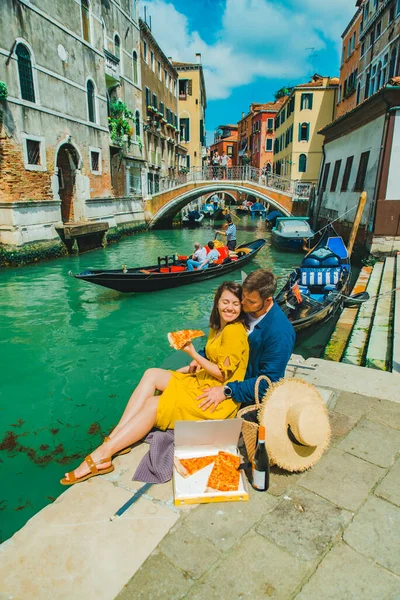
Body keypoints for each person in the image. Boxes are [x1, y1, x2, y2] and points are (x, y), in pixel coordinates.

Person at [61, 282, 249, 485]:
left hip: (216, 397)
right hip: (204, 382)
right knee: (152, 374)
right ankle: (116, 437)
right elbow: (217, 360)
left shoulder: (233, 332)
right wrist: (191, 366)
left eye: (235, 304)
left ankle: (103, 455)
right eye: (225, 302)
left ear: (241, 307)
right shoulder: (220, 327)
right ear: (217, 302)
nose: (229, 308)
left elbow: (222, 374)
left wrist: (192, 353)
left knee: (153, 404)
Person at [195, 269, 296, 412]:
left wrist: (227, 391)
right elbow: (221, 340)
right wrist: (202, 355)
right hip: (218, 379)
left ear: (268, 301)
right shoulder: (244, 309)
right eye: (243, 296)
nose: (242, 302)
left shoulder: (280, 333)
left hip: (241, 396)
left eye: (250, 301)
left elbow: (269, 381)